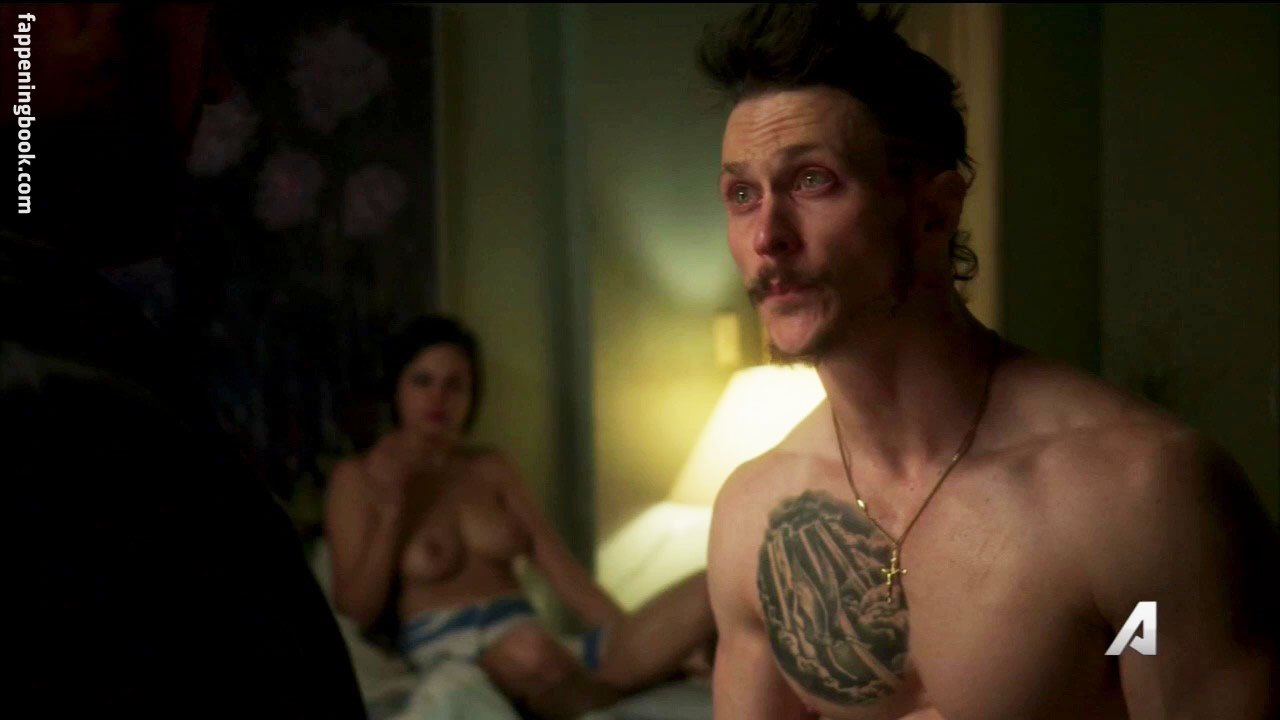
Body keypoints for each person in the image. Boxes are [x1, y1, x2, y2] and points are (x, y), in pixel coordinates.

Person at [698, 4, 1277, 719]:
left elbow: (1154, 643)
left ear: (934, 212)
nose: (767, 236)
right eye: (742, 195)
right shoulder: (754, 519)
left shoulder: (1137, 498)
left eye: (813, 180)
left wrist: (1131, 640)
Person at [325, 315, 716, 719]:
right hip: (460, 656)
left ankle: (595, 690)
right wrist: (391, 511)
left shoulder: (490, 467)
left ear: (472, 396)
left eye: (455, 385)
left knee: (712, 586)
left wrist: (634, 639)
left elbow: (565, 574)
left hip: (541, 642)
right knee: (529, 652)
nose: (438, 398)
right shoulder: (360, 477)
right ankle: (609, 693)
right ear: (397, 388)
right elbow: (355, 612)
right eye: (423, 381)